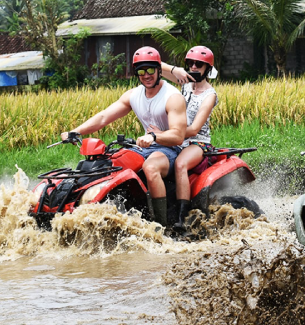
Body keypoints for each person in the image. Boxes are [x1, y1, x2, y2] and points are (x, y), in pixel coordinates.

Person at [60, 46, 187, 227]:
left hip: (170, 149)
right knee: (110, 165)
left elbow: (178, 135)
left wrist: (154, 137)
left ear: (160, 70)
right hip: (144, 147)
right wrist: (76, 131)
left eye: (150, 69)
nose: (146, 75)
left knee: (150, 168)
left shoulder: (172, 96)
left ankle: (161, 226)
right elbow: (104, 116)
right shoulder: (133, 95)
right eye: (141, 71)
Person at [157, 46, 219, 229]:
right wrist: (176, 70)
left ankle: (182, 217)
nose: (193, 67)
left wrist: (162, 135)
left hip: (198, 141)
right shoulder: (185, 83)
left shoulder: (210, 95)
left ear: (207, 68)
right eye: (190, 63)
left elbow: (193, 129)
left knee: (180, 164)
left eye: (198, 64)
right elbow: (155, 66)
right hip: (176, 138)